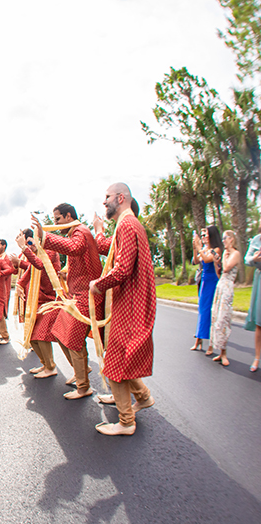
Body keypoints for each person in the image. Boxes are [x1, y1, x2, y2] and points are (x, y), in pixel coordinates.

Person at [89, 183, 156, 436]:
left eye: (106, 197)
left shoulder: (127, 225)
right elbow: (111, 250)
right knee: (121, 357)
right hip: (131, 302)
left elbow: (123, 268)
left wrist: (98, 284)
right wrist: (99, 232)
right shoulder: (128, 224)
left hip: (129, 304)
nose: (104, 202)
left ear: (121, 197)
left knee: (115, 360)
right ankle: (143, 396)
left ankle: (126, 422)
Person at [32, 203, 103, 400]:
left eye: (57, 219)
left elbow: (75, 248)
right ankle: (83, 375)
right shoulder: (75, 232)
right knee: (65, 334)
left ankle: (84, 386)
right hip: (77, 296)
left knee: (73, 339)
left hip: (86, 296)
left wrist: (43, 236)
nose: (55, 223)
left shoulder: (80, 231)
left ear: (69, 216)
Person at [15, 229, 62, 378]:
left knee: (41, 335)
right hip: (37, 299)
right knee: (32, 336)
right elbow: (31, 268)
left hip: (50, 298)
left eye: (30, 242)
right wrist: (20, 285)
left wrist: (24, 249)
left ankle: (51, 367)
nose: (30, 246)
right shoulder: (33, 253)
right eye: (27, 244)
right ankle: (45, 364)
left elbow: (40, 264)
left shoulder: (49, 250)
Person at [209, 230, 241, 367]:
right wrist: (217, 262)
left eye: (225, 238)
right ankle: (221, 352)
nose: (223, 241)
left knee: (224, 318)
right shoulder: (226, 255)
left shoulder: (235, 254)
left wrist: (225, 257)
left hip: (228, 288)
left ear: (232, 239)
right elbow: (220, 272)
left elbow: (227, 268)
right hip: (220, 285)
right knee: (216, 317)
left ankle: (225, 354)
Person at [190, 225, 222, 354]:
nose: (203, 236)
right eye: (202, 235)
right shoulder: (204, 248)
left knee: (210, 311)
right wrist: (195, 247)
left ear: (211, 235)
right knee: (202, 309)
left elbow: (208, 259)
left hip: (212, 281)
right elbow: (197, 260)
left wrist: (198, 246)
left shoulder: (216, 249)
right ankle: (199, 339)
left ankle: (210, 343)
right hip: (204, 281)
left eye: (205, 234)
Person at [245, 222, 261, 372]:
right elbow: (247, 259)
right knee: (259, 323)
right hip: (260, 279)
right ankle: (257, 357)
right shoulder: (257, 239)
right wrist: (255, 258)